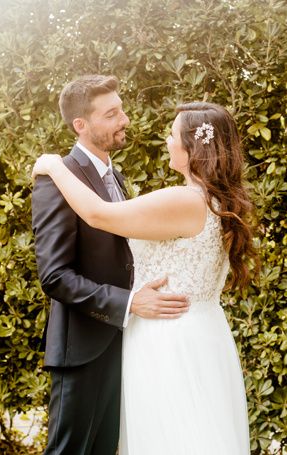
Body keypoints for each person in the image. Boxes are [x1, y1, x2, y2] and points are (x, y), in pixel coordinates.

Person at [32, 100, 258, 455]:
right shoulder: (217, 200)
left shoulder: (185, 200)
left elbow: (97, 214)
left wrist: (54, 166)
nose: (166, 141)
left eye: (171, 135)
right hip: (201, 333)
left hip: (169, 340)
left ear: (191, 148)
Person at [31, 75, 189, 455]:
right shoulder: (56, 180)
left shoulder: (113, 176)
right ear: (80, 126)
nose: (125, 120)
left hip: (122, 344)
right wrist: (128, 303)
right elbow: (54, 276)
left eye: (122, 110)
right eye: (112, 114)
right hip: (82, 349)